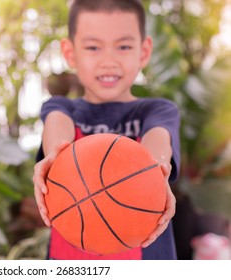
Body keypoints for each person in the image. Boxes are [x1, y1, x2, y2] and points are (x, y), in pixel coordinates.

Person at [33, 0, 180, 260]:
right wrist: (55, 158)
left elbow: (158, 140)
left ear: (144, 51)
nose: (109, 61)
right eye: (93, 47)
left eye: (123, 46)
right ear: (70, 52)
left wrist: (155, 172)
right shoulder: (62, 108)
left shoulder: (157, 111)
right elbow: (57, 127)